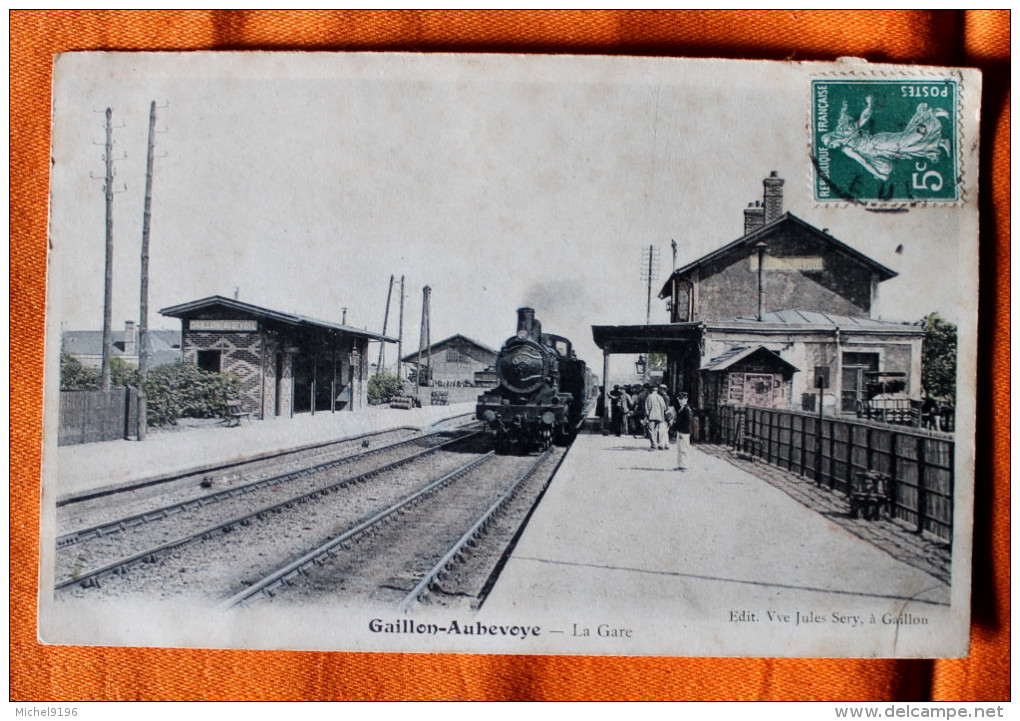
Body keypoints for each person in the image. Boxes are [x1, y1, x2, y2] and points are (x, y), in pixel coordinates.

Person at [644, 384, 670, 451]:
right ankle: (661, 444)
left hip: (652, 416)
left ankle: (654, 445)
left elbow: (648, 408)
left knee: (651, 430)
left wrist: (647, 417)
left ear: (651, 390)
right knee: (658, 431)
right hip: (660, 417)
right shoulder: (661, 397)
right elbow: (664, 408)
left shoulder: (649, 397)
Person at [674, 392, 694, 471]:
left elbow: (688, 422)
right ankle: (680, 465)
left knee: (684, 449)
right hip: (680, 431)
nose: (680, 401)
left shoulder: (687, 409)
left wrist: (682, 431)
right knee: (680, 448)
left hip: (684, 432)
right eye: (679, 399)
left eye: (682, 399)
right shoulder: (682, 408)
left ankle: (684, 465)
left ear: (686, 399)